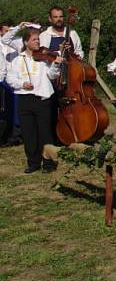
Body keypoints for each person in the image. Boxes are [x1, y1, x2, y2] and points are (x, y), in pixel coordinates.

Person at [6, 27, 63, 173]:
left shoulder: (44, 58)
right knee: (28, 133)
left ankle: (49, 163)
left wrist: (56, 64)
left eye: (38, 39)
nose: (38, 42)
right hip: (25, 99)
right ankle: (33, 163)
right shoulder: (17, 59)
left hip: (42, 99)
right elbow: (10, 78)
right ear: (26, 42)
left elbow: (52, 75)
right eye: (34, 39)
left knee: (45, 132)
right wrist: (22, 84)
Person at [1, 20, 39, 147]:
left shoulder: (31, 41)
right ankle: (13, 135)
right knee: (13, 109)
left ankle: (26, 134)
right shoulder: (13, 42)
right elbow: (5, 39)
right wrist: (18, 27)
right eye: (6, 30)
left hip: (30, 78)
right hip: (14, 79)